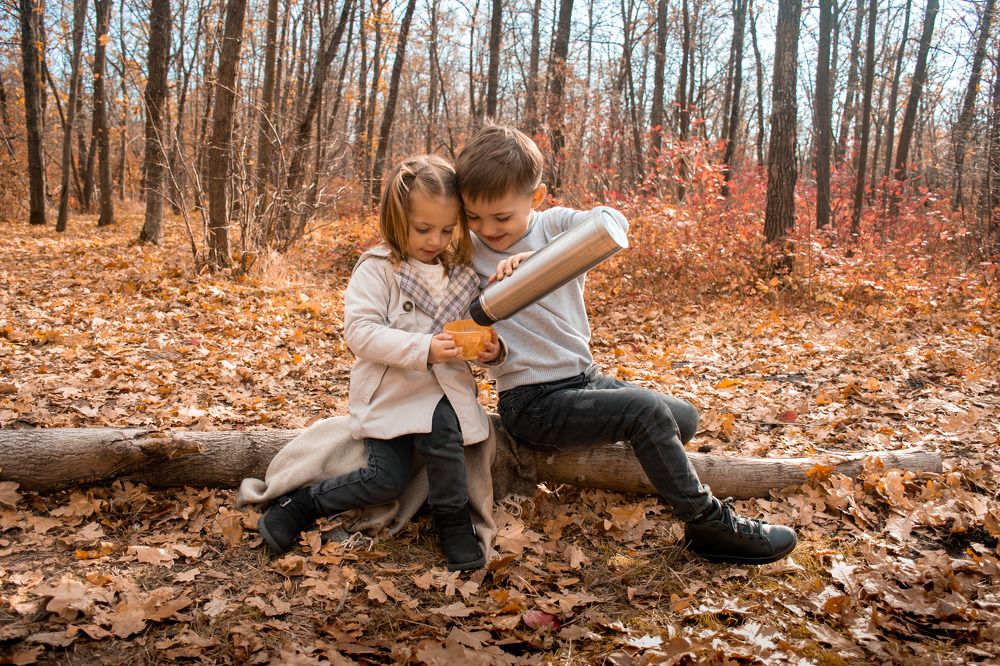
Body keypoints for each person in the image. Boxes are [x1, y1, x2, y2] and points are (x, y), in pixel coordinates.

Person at [454, 124, 796, 564]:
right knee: (645, 412)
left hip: (583, 379)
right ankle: (707, 522)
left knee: (684, 419)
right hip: (531, 403)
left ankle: (641, 451)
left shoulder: (555, 226)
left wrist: (540, 259)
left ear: (535, 197)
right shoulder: (469, 250)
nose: (487, 229)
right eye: (474, 217)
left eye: (501, 218)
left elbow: (614, 222)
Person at [258, 154, 504, 571]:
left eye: (447, 229)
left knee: (445, 435)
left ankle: (453, 521)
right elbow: (361, 332)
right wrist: (423, 348)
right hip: (392, 391)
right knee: (384, 478)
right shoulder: (379, 270)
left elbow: (476, 326)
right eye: (423, 229)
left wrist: (491, 351)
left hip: (443, 390)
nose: (435, 240)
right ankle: (302, 504)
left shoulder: (461, 275)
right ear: (396, 217)